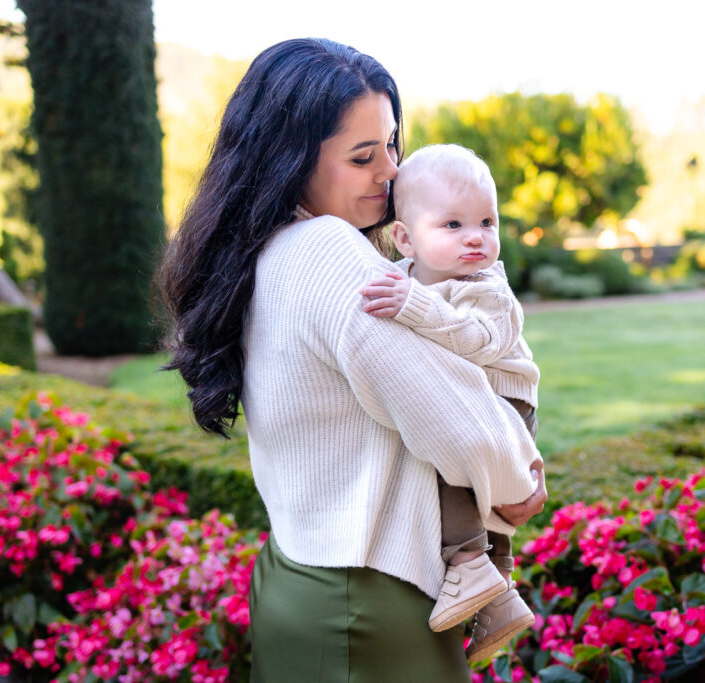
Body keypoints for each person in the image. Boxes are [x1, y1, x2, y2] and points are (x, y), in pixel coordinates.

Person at [156, 38, 547, 682]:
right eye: (362, 156)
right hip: (369, 602)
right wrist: (517, 480)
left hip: (301, 577)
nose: (391, 171)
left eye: (391, 145)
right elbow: (461, 422)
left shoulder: (266, 251)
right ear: (286, 162)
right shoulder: (328, 253)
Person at [360, 144, 539, 662]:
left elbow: (479, 342)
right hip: (474, 393)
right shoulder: (411, 277)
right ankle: (498, 599)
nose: (476, 237)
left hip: (504, 399)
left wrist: (414, 308)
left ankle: (466, 565)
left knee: (455, 468)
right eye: (454, 225)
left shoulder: (489, 289)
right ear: (404, 239)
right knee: (461, 468)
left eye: (487, 220)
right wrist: (408, 299)